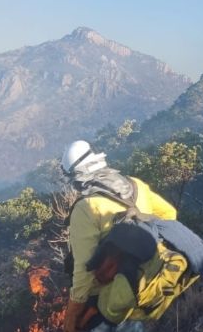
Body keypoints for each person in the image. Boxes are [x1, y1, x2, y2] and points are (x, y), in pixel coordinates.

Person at [61, 140, 190, 332]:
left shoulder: (85, 208)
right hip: (146, 280)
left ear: (76, 178)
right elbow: (169, 214)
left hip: (111, 298)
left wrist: (71, 317)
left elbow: (84, 270)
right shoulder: (134, 185)